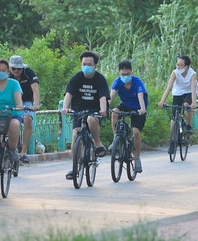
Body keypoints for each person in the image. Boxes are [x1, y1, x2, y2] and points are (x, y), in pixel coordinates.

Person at [62, 51, 109, 180]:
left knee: (91, 119)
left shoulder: (100, 79)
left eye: (89, 64)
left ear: (95, 66)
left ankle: (98, 143)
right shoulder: (76, 78)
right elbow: (68, 94)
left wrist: (103, 110)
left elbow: (103, 96)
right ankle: (74, 168)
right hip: (78, 110)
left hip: (95, 110)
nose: (86, 66)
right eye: (84, 64)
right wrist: (65, 108)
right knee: (75, 135)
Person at [109, 60, 148, 173]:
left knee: (136, 132)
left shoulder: (137, 82)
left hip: (138, 108)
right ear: (119, 74)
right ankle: (116, 138)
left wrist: (142, 109)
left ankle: (137, 158)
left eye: (127, 74)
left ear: (132, 73)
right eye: (122, 74)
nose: (125, 76)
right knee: (115, 112)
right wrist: (104, 108)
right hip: (125, 105)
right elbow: (111, 96)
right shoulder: (117, 82)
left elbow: (141, 96)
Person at [157, 56, 198, 153]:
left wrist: (193, 103)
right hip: (178, 92)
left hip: (189, 92)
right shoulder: (175, 73)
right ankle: (173, 141)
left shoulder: (192, 74)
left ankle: (188, 126)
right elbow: (169, 87)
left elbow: (193, 89)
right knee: (174, 116)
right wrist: (162, 101)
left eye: (181, 65)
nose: (178, 67)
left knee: (186, 105)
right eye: (177, 64)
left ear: (186, 67)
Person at [8, 55, 40, 164]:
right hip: (11, 101)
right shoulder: (7, 75)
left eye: (19, 68)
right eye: (13, 68)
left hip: (26, 101)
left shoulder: (29, 73)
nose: (16, 71)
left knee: (27, 119)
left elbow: (35, 88)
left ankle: (24, 151)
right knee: (11, 121)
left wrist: (35, 104)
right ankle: (13, 147)